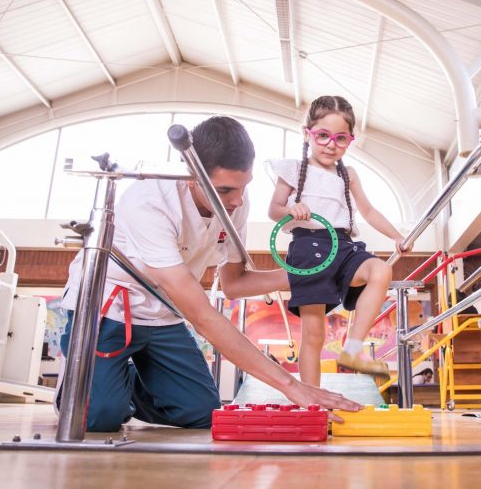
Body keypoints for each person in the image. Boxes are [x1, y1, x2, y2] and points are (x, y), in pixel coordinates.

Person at [58, 116, 359, 432]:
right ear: (191, 176)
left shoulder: (235, 202)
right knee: (99, 417)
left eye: (244, 186)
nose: (238, 200)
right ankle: (91, 389)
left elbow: (235, 284)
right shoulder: (149, 203)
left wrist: (313, 275)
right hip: (110, 309)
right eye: (225, 189)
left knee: (200, 412)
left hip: (163, 314)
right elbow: (202, 316)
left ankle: (111, 383)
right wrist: (291, 385)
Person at [267, 95, 411, 386]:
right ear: (307, 134)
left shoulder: (349, 174)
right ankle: (312, 400)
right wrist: (290, 210)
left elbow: (368, 211)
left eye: (340, 138)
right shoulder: (292, 169)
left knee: (380, 270)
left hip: (343, 246)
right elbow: (273, 210)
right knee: (314, 333)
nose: (330, 144)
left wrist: (397, 236)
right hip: (308, 247)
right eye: (322, 136)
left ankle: (353, 349)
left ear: (350, 141)